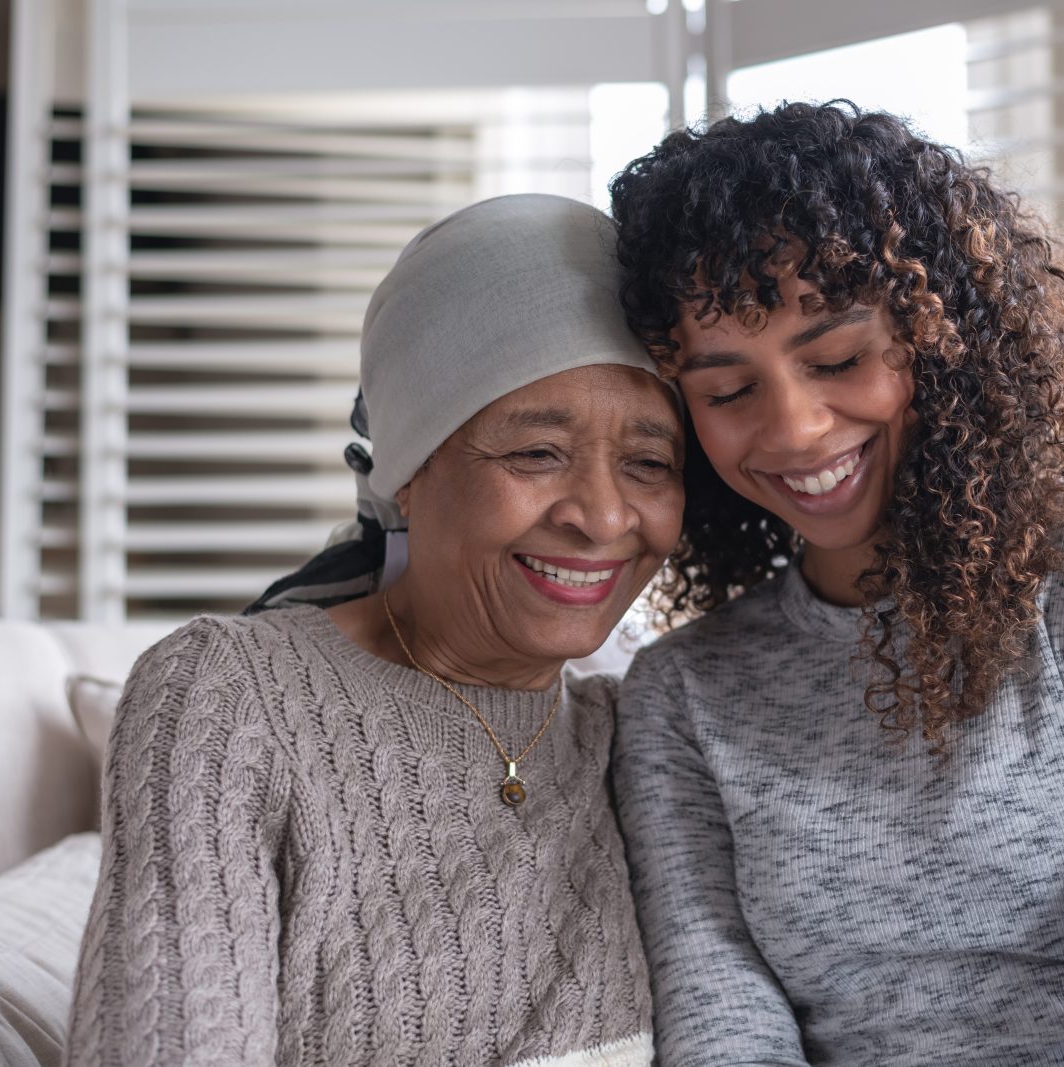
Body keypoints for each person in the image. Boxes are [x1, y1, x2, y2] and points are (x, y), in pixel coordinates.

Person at [607, 102, 1064, 1065]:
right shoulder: (683, 693)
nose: (794, 429)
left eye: (837, 359)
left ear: (938, 335)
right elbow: (724, 1030)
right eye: (729, 390)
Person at [64, 194, 681, 1066]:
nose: (604, 514)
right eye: (536, 452)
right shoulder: (230, 695)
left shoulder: (645, 734)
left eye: (651, 464)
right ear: (407, 463)